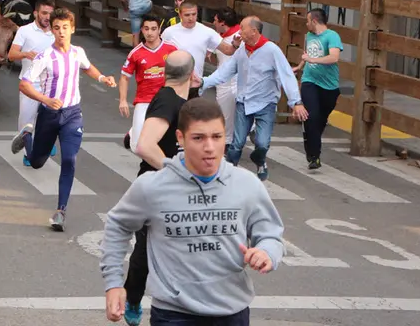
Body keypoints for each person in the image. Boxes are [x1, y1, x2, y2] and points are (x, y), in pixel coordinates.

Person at [101, 98, 285, 326]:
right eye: (198, 138)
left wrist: (266, 253)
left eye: (217, 137)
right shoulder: (152, 186)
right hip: (174, 314)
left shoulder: (247, 184)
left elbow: (270, 234)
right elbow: (118, 224)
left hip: (232, 311)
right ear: (181, 138)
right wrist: (114, 283)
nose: (209, 147)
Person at [9, 8, 116, 231]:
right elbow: (24, 84)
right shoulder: (45, 56)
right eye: (56, 28)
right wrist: (44, 100)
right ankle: (27, 136)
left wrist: (102, 77)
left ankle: (60, 211)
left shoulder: (78, 52)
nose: (60, 32)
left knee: (69, 160)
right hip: (49, 114)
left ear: (72, 29)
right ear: (52, 30)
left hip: (72, 115)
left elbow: (87, 67)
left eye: (65, 28)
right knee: (37, 162)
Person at [120, 50, 196, 326]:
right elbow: (145, 145)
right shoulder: (167, 100)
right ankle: (133, 299)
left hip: (182, 190)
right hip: (158, 188)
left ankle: (185, 305)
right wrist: (178, 173)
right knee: (146, 251)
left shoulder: (186, 99)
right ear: (191, 73)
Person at [196, 16, 309, 181]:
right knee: (237, 144)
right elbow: (225, 72)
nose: (239, 31)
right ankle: (226, 174)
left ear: (254, 31)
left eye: (242, 28)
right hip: (243, 102)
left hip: (266, 104)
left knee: (262, 144)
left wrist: (296, 102)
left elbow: (286, 76)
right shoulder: (242, 50)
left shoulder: (271, 50)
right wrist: (203, 82)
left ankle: (260, 160)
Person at [7, 0, 57, 166]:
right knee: (26, 122)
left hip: (51, 84)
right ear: (35, 13)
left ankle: (44, 144)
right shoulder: (24, 31)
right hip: (30, 83)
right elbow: (11, 55)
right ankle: (29, 152)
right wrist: (26, 54)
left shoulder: (58, 32)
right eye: (44, 13)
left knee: (51, 119)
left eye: (50, 14)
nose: (47, 17)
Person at [292, 8, 343, 169]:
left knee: (320, 120)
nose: (306, 24)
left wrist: (312, 59)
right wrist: (300, 66)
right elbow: (307, 54)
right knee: (311, 116)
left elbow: (334, 57)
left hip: (329, 86)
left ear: (314, 21)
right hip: (310, 80)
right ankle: (315, 156)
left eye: (307, 21)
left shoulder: (332, 36)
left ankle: (310, 138)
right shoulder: (309, 36)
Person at [118, 15, 177, 154]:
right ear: (142, 31)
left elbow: (181, 72)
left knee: (168, 141)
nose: (150, 32)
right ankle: (133, 133)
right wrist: (122, 101)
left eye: (153, 29)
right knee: (137, 146)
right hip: (144, 100)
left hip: (166, 100)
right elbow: (124, 77)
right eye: (146, 29)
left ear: (159, 30)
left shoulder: (171, 49)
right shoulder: (135, 53)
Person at [161, 2, 239, 98]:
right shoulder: (169, 32)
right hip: (174, 84)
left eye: (194, 14)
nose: (191, 18)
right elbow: (160, 55)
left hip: (195, 83)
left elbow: (228, 50)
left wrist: (235, 45)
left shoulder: (207, 32)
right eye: (187, 15)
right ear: (180, 15)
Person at [211, 7, 242, 152]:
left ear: (223, 23)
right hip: (222, 81)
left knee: (231, 112)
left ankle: (230, 142)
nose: (213, 22)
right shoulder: (218, 36)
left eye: (216, 20)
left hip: (234, 80)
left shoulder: (240, 37)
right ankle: (228, 142)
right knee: (226, 114)